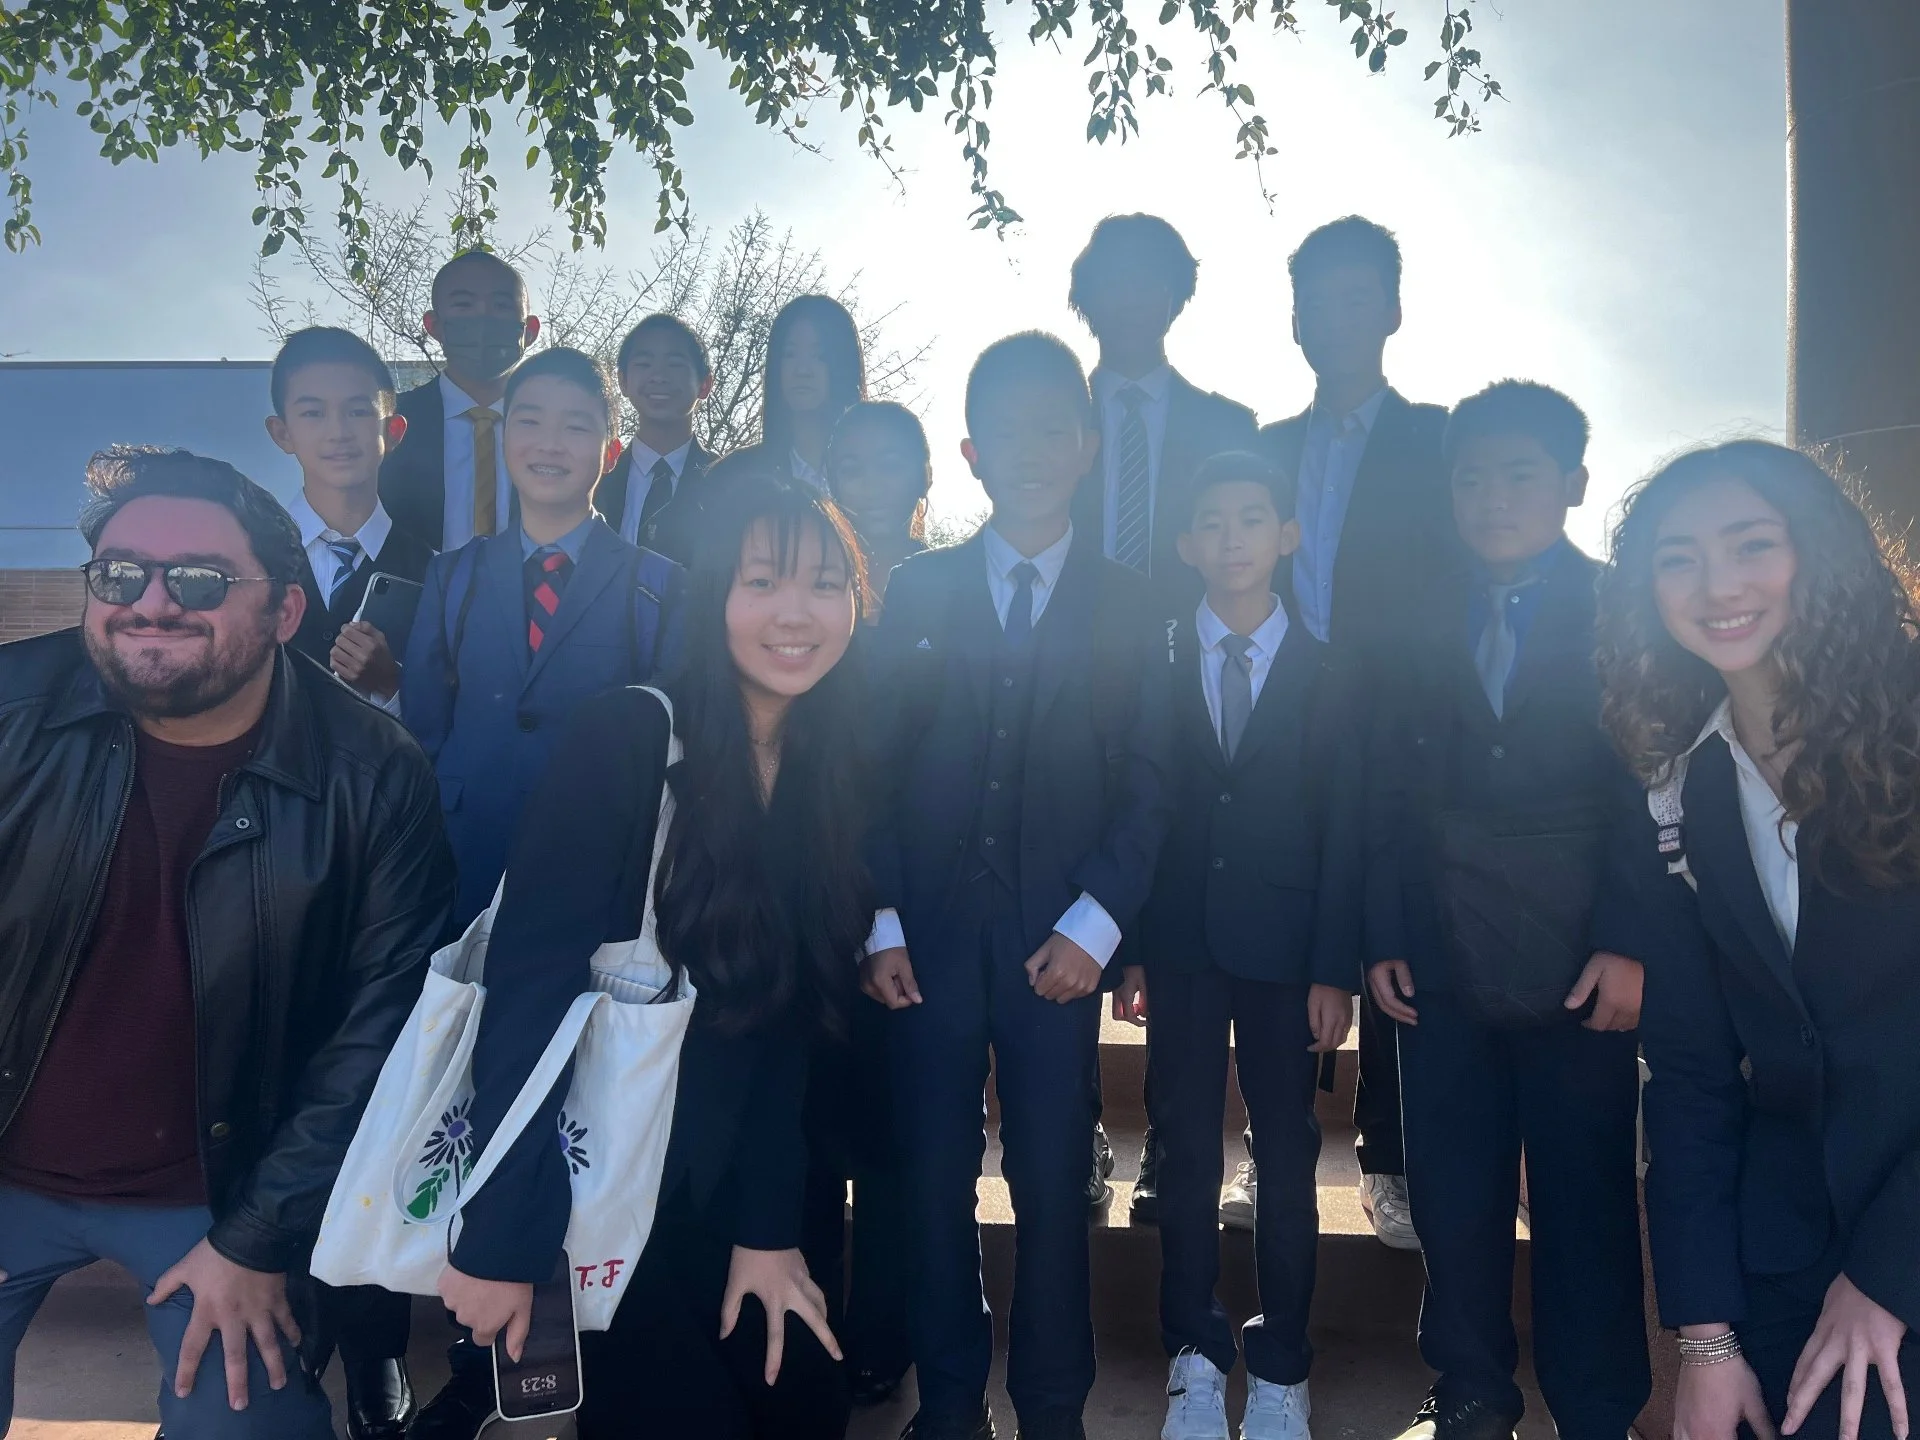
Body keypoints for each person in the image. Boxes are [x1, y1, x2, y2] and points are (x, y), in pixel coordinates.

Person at [0, 447, 454, 1440]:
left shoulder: (371, 774)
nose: (151, 603)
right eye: (120, 575)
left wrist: (256, 1239)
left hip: (222, 1189)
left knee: (249, 1424)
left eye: (198, 580)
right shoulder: (11, 714)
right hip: (7, 1163)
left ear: (285, 613)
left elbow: (382, 1034)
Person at [436, 473, 871, 1439]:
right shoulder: (628, 736)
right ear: (714, 592)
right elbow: (529, 988)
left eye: (826, 584)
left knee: (803, 1399)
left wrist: (767, 1229)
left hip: (731, 1173)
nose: (796, 614)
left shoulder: (822, 762)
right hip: (597, 1179)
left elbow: (784, 1017)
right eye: (763, 582)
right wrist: (504, 1238)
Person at [861, 332, 1173, 1440]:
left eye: (1057, 426)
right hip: (929, 943)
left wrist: (1097, 926)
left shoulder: (1134, 604)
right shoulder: (918, 589)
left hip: (1060, 950)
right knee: (931, 1184)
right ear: (970, 450)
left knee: (1053, 1187)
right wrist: (883, 920)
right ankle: (948, 1404)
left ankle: (1052, 1407)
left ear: (1086, 447)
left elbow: (1150, 777)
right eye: (1010, 429)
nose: (1033, 449)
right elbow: (872, 769)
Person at [1595, 441, 1920, 1440]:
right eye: (1679, 558)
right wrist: (1705, 1337)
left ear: (1814, 553)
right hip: (1784, 1240)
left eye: (1751, 545)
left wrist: (1884, 1277)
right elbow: (1690, 1071)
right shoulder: (1678, 790)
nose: (1718, 585)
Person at [1366, 383, 1651, 1440]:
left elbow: (1646, 777)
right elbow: (1385, 781)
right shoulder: (1418, 612)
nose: (1493, 496)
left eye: (1520, 473)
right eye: (1472, 475)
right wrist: (1384, 930)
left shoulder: (1627, 607)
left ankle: (1597, 1408)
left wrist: (1630, 938)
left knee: (1583, 1195)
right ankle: (1473, 1388)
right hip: (1437, 950)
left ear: (1573, 484)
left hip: (1585, 959)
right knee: (1454, 1189)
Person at [1140, 450, 1361, 1440]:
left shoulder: (1328, 672)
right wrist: (1134, 947)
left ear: (1287, 534)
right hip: (1180, 946)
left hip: (1287, 955)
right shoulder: (1151, 659)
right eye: (1212, 521)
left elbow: (1344, 823)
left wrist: (1332, 965)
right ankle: (1193, 1348)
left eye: (1253, 517)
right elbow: (1133, 804)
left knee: (1284, 1149)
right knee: (1184, 1147)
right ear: (1187, 545)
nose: (1232, 537)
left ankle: (1282, 1364)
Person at [1258, 215, 1457, 1250]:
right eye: (1311, 301)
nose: (1330, 319)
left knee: (1390, 926)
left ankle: (1387, 1160)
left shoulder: (1440, 441)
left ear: (1388, 311)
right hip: (1282, 713)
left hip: (1402, 722)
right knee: (1286, 920)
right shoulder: (1265, 449)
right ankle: (1272, 1146)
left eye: (1352, 298)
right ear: (1293, 320)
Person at [1067, 214, 1260, 1220]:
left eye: (1154, 279)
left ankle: (1181, 1154)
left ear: (1180, 295)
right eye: (1113, 278)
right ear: (1085, 294)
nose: (1132, 296)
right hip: (1070, 689)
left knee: (1180, 912)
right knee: (1072, 895)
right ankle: (1081, 1129)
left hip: (1191, 684)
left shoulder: (1228, 423)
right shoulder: (1054, 414)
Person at [399, 346, 659, 933]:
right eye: (531, 420)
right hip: (465, 861)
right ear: (504, 435)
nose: (549, 442)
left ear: (610, 452)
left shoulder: (658, 587)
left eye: (576, 426)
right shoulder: (451, 576)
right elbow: (424, 730)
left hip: (599, 871)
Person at [271, 326, 436, 719]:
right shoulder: (242, 557)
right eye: (313, 413)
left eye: (359, 411)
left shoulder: (436, 573)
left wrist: (391, 687)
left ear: (393, 431)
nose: (338, 432)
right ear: (282, 433)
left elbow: (452, 721)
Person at [379, 249, 540, 551]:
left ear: (529, 330)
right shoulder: (389, 425)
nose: (483, 318)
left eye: (501, 306)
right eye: (464, 305)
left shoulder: (556, 430)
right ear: (434, 326)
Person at [594, 312, 718, 556]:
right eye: (644, 364)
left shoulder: (726, 481)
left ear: (705, 384)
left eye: (674, 365)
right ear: (623, 381)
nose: (659, 377)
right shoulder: (593, 478)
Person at [735, 294, 867, 491]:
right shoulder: (739, 474)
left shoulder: (869, 473)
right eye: (790, 354)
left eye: (819, 356)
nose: (802, 370)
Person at [827, 399, 933, 618]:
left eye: (890, 465)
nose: (871, 485)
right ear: (833, 484)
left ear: (925, 477)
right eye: (852, 470)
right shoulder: (810, 587)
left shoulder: (960, 587)